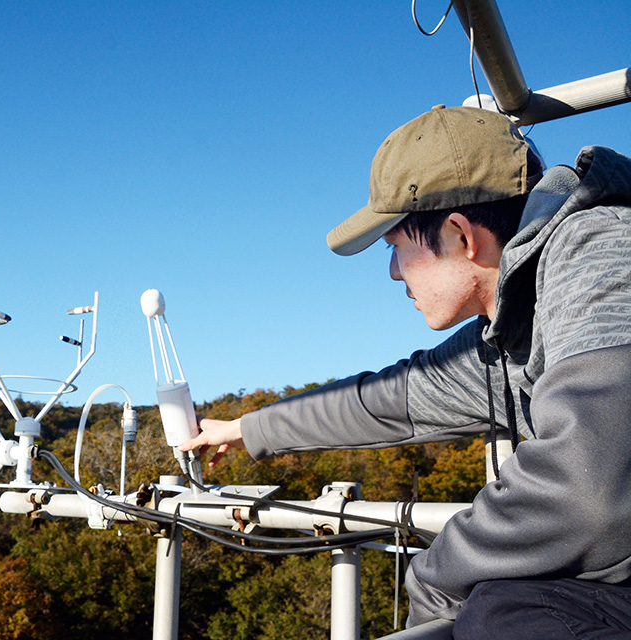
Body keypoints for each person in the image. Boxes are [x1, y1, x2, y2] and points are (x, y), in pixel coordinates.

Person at [180, 104, 631, 638]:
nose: (394, 274)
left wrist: (434, 579)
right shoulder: (511, 327)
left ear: (461, 235)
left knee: (492, 611)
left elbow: (589, 489)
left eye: (397, 248)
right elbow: (389, 400)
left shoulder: (602, 254)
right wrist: (244, 428)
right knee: (501, 605)